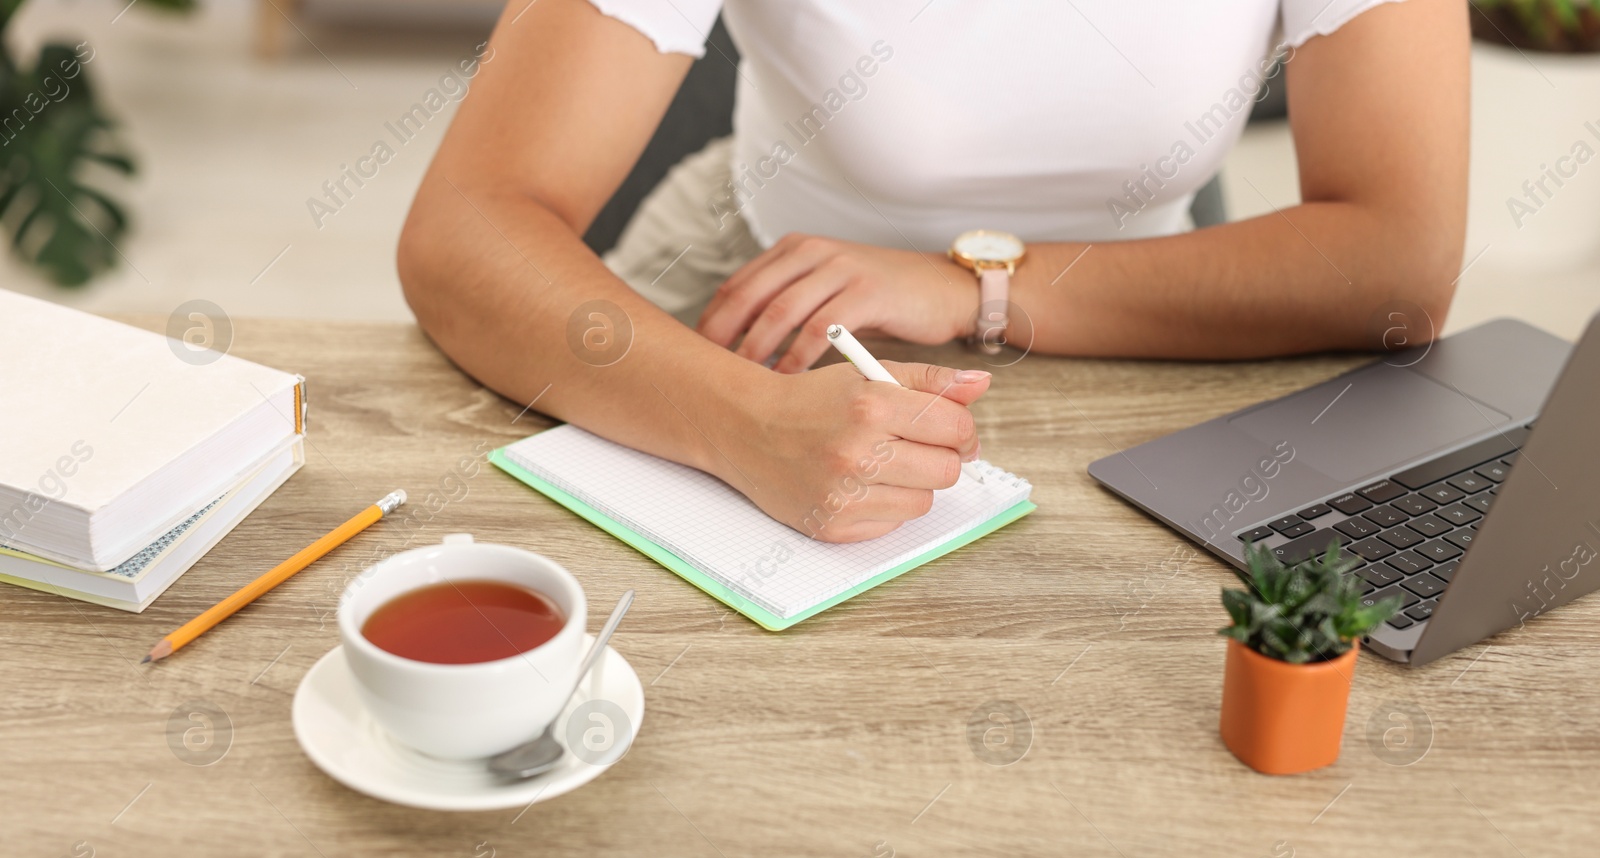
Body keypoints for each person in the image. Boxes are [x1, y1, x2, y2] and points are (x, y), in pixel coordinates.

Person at [398, 0, 1468, 542]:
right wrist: (744, 422)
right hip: (768, 308)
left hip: (1158, 314)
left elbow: (1396, 258)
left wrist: (971, 286)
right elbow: (465, 231)